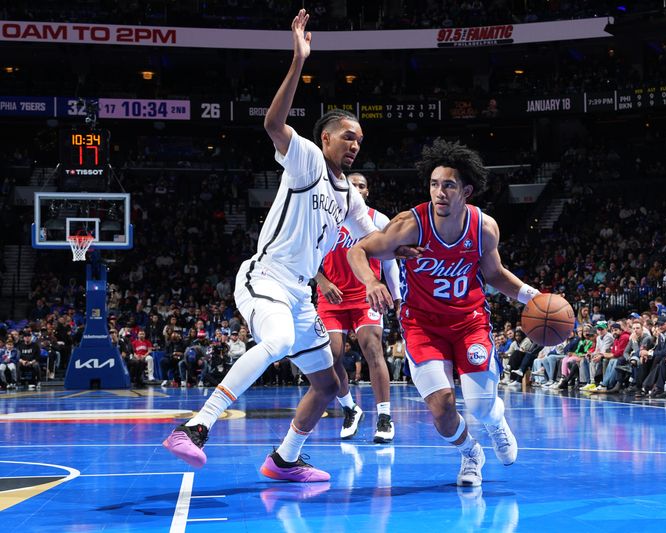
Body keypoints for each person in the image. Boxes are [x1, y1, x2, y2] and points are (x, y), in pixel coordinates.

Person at [164, 9, 383, 483]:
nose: (355, 145)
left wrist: (416, 240)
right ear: (325, 138)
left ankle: (284, 459)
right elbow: (272, 122)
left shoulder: (348, 194)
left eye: (360, 140)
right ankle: (196, 426)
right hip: (265, 276)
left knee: (327, 383)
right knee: (278, 341)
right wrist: (298, 60)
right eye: (348, 136)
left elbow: (371, 240)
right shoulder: (305, 159)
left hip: (301, 293)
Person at [348, 138, 541, 487]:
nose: (439, 192)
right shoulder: (410, 223)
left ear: (466, 190)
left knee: (481, 406)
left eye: (448, 185)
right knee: (441, 408)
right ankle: (471, 453)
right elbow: (358, 252)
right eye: (434, 184)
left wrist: (533, 296)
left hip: (469, 323)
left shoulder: (484, 227)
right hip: (422, 325)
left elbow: (495, 275)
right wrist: (370, 284)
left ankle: (495, 423)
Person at [314, 172, 401, 443]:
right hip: (333, 296)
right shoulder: (322, 218)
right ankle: (351, 408)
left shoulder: (378, 220)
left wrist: (397, 298)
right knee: (330, 356)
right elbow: (307, 257)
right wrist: (322, 280)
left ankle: (384, 417)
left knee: (372, 349)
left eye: (361, 185)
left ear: (367, 192)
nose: (356, 188)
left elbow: (390, 263)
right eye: (351, 184)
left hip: (367, 294)